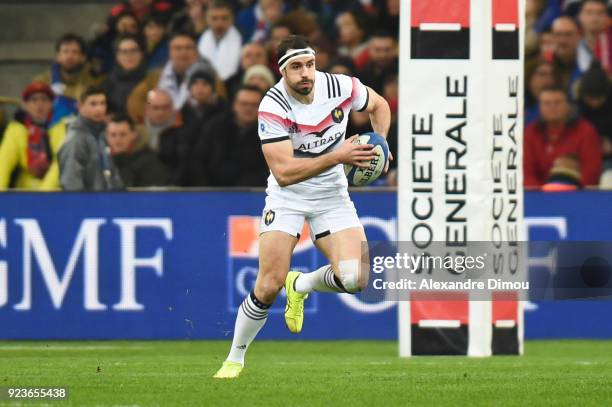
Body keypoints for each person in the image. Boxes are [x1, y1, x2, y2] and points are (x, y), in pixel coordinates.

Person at [214, 35, 391, 379]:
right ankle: (234, 358)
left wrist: (380, 144)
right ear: (282, 71)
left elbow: (379, 105)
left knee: (357, 277)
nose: (305, 73)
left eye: (309, 64)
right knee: (268, 284)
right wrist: (338, 155)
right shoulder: (273, 106)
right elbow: (283, 173)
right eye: (296, 67)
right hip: (288, 197)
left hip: (332, 195)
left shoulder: (339, 86)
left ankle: (303, 285)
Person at [127, 31, 222, 123]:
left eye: (188, 48)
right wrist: (149, 122)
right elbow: (135, 103)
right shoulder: (155, 77)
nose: (183, 52)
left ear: (196, 52)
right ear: (169, 52)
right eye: (177, 48)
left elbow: (221, 107)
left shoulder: (210, 76)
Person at [523, 85, 602, 187]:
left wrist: (567, 191)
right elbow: (525, 172)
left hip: (576, 196)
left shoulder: (586, 131)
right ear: (539, 108)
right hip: (538, 196)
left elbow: (591, 172)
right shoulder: (530, 133)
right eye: (547, 103)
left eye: (557, 102)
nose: (552, 107)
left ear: (568, 106)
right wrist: (542, 193)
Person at [190, 85, 269, 186]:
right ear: (235, 105)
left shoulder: (271, 133)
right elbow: (198, 161)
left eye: (254, 105)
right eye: (244, 104)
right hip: (213, 193)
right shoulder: (214, 128)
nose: (248, 109)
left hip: (255, 194)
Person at [0, 82, 66, 190]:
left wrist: (44, 194)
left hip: (55, 192)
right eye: (34, 100)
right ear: (25, 105)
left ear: (51, 104)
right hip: (25, 190)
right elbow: (3, 162)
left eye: (44, 100)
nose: (39, 104)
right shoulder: (16, 129)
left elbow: (59, 163)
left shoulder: (60, 127)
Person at [58, 86, 124, 191]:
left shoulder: (101, 136)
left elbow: (113, 177)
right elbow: (71, 184)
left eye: (103, 103)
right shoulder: (76, 140)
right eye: (93, 104)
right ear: (80, 106)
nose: (99, 109)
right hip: (88, 206)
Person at [35, 33, 102, 125]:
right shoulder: (42, 82)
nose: (70, 56)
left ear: (83, 57)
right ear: (57, 56)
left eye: (75, 52)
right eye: (65, 52)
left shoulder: (94, 82)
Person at [106, 113, 168, 187]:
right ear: (107, 137)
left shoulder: (149, 164)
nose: (117, 140)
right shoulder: (104, 161)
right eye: (113, 135)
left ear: (134, 135)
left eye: (123, 134)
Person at [198, 0, 242, 81]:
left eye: (224, 18)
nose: (219, 23)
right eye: (214, 19)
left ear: (232, 19)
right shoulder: (198, 41)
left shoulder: (243, 41)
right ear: (207, 20)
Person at [102, 34, 148, 115]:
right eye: (124, 52)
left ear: (141, 54)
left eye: (133, 50)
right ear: (117, 56)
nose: (129, 55)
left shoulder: (151, 79)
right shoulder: (108, 82)